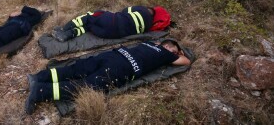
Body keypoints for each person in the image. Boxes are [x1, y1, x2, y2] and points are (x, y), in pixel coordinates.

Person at [25, 38, 191, 114]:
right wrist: (180, 53)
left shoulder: (149, 43)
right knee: (87, 86)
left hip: (113, 55)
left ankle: (39, 77)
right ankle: (39, 91)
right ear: (169, 49)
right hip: (122, 67)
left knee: (75, 69)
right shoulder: (166, 54)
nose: (175, 54)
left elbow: (158, 43)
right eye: (174, 51)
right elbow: (186, 62)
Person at [51, 6, 170, 42]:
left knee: (88, 17)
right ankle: (68, 34)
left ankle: (63, 29)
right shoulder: (149, 26)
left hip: (112, 22)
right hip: (109, 34)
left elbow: (124, 11)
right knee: (89, 27)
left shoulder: (142, 9)